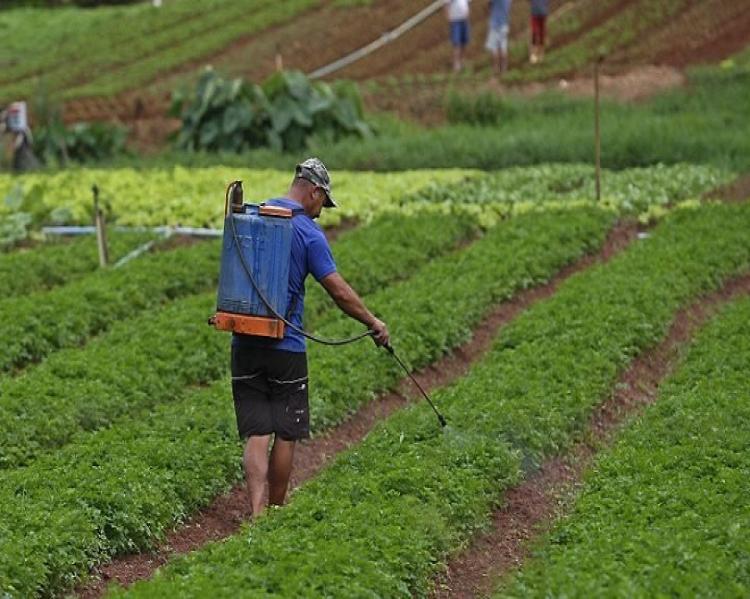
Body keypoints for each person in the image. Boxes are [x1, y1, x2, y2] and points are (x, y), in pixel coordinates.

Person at [231, 157, 390, 519]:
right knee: (286, 431)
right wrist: (372, 321)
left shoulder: (255, 217)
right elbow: (337, 290)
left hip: (244, 341)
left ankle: (256, 514)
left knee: (257, 430)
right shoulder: (306, 232)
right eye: (323, 202)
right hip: (286, 346)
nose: (322, 211)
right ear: (313, 191)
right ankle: (276, 511)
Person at [486, 0, 513, 78]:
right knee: (503, 48)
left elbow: (489, 5)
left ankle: (496, 69)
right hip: (505, 24)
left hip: (495, 24)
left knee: (495, 49)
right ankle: (504, 69)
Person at [446, 0, 471, 72]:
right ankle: (456, 64)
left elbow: (467, 3)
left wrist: (468, 14)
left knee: (464, 42)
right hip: (455, 20)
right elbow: (446, 5)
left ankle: (462, 61)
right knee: (457, 43)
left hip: (464, 19)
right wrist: (448, 17)